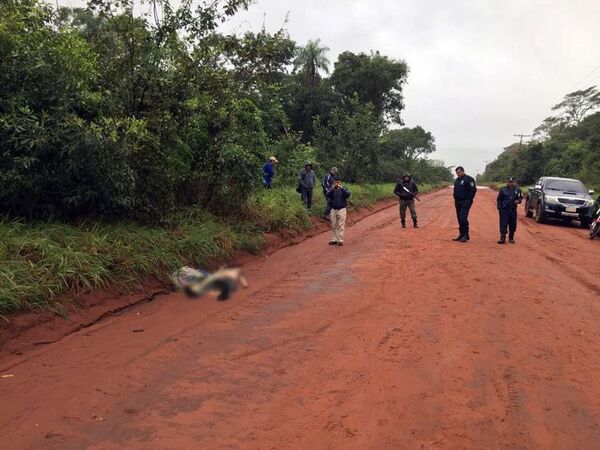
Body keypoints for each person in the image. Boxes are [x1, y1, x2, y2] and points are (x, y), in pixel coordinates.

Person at [452, 166, 477, 242]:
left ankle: (466, 235)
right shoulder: (457, 180)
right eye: (456, 173)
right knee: (459, 218)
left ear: (463, 171)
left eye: (459, 173)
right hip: (458, 202)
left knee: (463, 218)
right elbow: (455, 190)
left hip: (465, 202)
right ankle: (461, 234)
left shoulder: (469, 179)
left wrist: (469, 200)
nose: (457, 174)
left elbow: (473, 190)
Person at [496, 177, 523, 244]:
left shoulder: (518, 190)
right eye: (509, 182)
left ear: (514, 182)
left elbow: (520, 198)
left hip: (513, 210)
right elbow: (499, 199)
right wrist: (499, 208)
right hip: (504, 210)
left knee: (513, 225)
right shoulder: (503, 190)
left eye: (512, 182)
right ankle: (502, 238)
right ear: (507, 182)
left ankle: (511, 237)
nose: (510, 183)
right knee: (503, 224)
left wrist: (518, 201)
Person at [326, 178, 351, 246]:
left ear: (340, 183)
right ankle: (334, 239)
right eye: (335, 182)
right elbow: (327, 194)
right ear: (334, 183)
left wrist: (341, 188)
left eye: (338, 182)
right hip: (333, 209)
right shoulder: (332, 189)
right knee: (333, 225)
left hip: (342, 209)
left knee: (341, 224)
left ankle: (340, 240)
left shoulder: (344, 188)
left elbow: (348, 195)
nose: (337, 184)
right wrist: (333, 189)